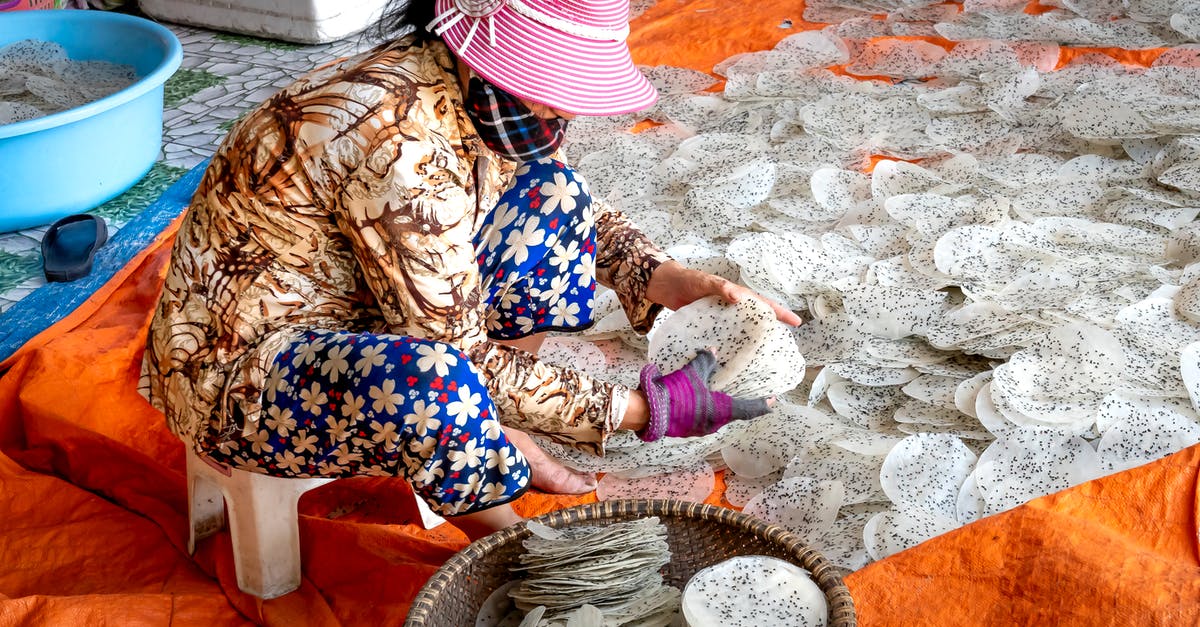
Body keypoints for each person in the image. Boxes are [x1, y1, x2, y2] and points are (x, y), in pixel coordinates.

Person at [140, 0, 801, 539]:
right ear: (472, 42)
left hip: (356, 293)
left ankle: (493, 427)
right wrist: (640, 409)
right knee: (434, 385)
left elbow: (578, 213)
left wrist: (663, 276)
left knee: (554, 194)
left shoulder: (448, 81)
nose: (554, 109)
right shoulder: (400, 146)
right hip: (241, 374)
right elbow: (456, 358)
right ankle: (511, 542)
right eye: (543, 79)